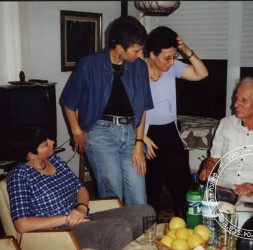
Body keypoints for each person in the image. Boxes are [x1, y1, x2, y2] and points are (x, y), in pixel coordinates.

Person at [7, 127, 156, 250]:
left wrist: (81, 208)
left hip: (83, 218)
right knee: (119, 229)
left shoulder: (54, 160)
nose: (52, 142)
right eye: (45, 144)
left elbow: (81, 189)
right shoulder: (19, 176)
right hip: (60, 231)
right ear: (31, 155)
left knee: (145, 212)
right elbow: (22, 224)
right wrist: (67, 218)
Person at [60, 16, 153, 205]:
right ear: (119, 48)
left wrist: (138, 143)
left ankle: (139, 235)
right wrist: (76, 131)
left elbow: (142, 108)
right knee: (113, 195)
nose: (140, 54)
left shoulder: (140, 67)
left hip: (130, 134)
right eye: (136, 50)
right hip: (100, 134)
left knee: (139, 198)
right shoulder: (89, 65)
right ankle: (116, 234)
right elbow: (68, 102)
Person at [143, 26, 208, 218]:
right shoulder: (136, 68)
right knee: (149, 187)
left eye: (174, 56)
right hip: (145, 134)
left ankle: (190, 224)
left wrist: (187, 51)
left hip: (169, 132)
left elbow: (201, 74)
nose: (171, 62)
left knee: (182, 183)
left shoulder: (173, 67)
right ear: (152, 54)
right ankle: (148, 231)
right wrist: (140, 138)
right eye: (167, 57)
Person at [199, 77, 253, 195]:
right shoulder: (226, 123)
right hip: (223, 188)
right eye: (236, 98)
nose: (236, 104)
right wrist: (207, 167)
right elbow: (213, 158)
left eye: (244, 100)